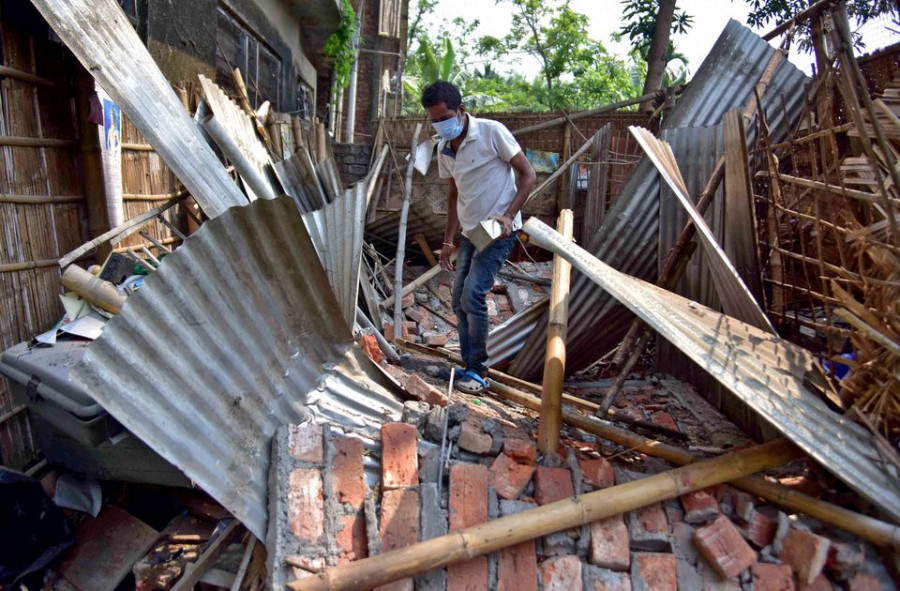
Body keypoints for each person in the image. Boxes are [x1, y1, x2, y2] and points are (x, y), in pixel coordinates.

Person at [421, 81, 536, 394]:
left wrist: (509, 216)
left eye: (444, 117)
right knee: (458, 299)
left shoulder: (491, 132)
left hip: (499, 229)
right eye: (433, 120)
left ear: (460, 110)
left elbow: (528, 175)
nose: (440, 124)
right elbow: (454, 192)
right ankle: (468, 365)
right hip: (472, 231)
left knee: (473, 294)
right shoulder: (444, 149)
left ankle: (478, 371)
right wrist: (448, 241)